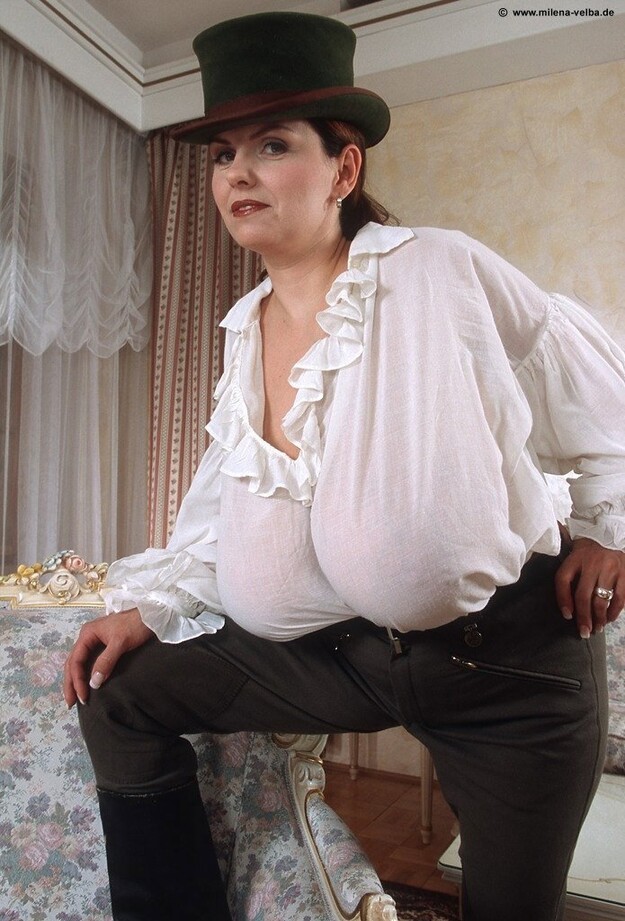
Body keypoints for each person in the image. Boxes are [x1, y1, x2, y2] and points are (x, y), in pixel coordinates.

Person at [64, 11, 625, 921]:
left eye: (272, 145)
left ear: (343, 168)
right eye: (222, 154)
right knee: (116, 695)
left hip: (509, 671)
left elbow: (586, 384)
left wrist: (607, 524)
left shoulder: (437, 268)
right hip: (343, 657)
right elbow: (226, 502)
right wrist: (153, 606)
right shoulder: (244, 331)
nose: (237, 172)